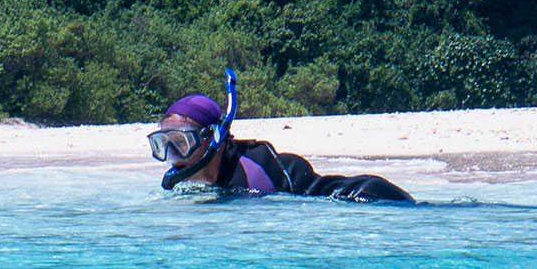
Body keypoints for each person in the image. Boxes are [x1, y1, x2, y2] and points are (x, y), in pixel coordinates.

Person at [147, 73, 414, 203]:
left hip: (364, 193)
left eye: (181, 143)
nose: (172, 155)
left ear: (214, 139)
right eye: (163, 144)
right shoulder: (215, 177)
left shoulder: (251, 172)